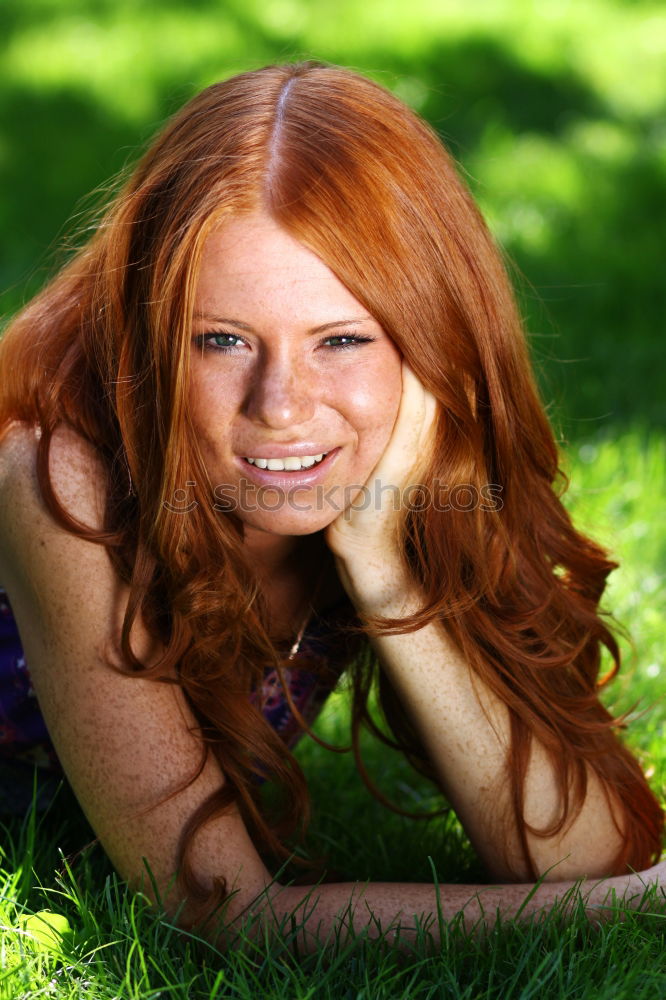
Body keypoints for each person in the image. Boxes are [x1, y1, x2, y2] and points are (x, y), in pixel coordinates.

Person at [0, 61, 663, 951]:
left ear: (432, 344)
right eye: (222, 339)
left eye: (342, 339)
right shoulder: (55, 470)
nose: (280, 405)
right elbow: (219, 910)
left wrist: (385, 571)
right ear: (153, 335)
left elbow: (588, 852)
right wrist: (624, 908)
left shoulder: (405, 464)